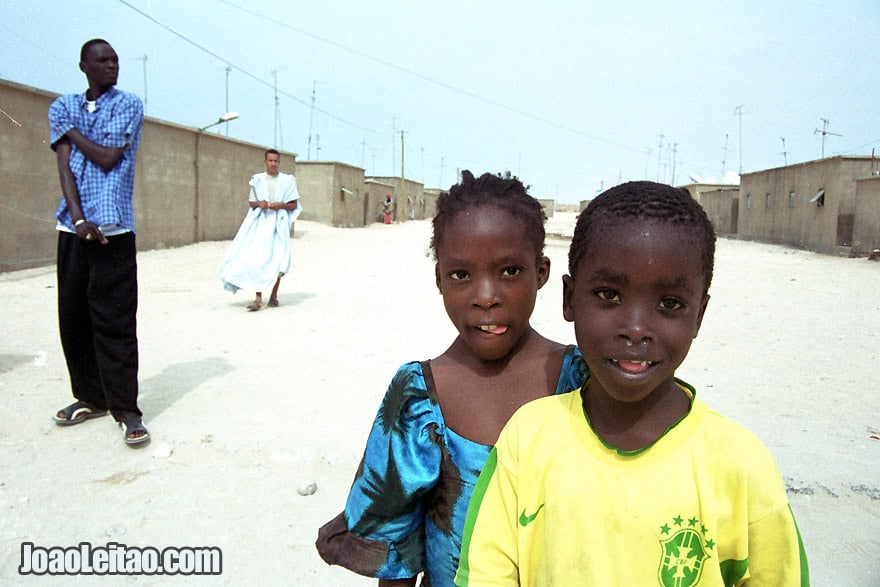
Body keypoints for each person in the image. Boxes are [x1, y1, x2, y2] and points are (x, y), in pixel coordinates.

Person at [455, 181, 810, 586]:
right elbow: (487, 575)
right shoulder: (527, 440)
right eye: (608, 294)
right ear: (569, 298)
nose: (636, 329)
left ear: (699, 315)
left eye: (670, 304)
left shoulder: (740, 466)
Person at [316, 171, 588, 586]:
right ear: (439, 279)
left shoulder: (584, 381)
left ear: (542, 272)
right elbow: (397, 558)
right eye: (461, 275)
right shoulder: (419, 398)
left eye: (510, 271)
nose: (485, 296)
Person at [48, 38, 148, 446]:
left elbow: (107, 157)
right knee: (74, 320)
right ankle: (90, 397)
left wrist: (70, 130)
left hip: (114, 231)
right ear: (83, 66)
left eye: (115, 60)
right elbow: (64, 168)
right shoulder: (62, 104)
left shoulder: (128, 105)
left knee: (115, 323)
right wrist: (78, 218)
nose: (111, 66)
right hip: (74, 228)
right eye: (102, 61)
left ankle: (126, 409)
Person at [218, 149, 301, 311]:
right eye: (270, 161)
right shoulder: (258, 180)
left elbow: (294, 204)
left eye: (276, 161)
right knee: (260, 258)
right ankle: (258, 298)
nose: (273, 164)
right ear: (265, 162)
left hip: (279, 224)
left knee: (278, 259)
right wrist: (259, 203)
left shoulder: (287, 181)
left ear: (279, 162)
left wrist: (281, 205)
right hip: (262, 224)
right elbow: (251, 202)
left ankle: (274, 296)